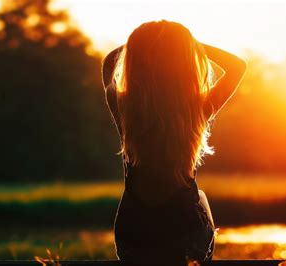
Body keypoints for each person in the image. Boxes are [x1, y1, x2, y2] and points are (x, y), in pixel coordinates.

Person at [101, 20, 246, 265]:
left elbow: (108, 64)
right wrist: (187, 44)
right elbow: (237, 66)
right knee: (199, 197)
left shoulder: (125, 106)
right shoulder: (195, 109)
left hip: (135, 230)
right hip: (185, 228)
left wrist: (142, 44)